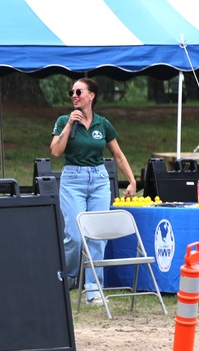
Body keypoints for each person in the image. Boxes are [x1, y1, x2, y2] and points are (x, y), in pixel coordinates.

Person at [50, 78, 138, 305]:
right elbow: (56, 151)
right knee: (75, 236)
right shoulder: (63, 121)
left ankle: (93, 289)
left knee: (97, 236)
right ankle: (67, 276)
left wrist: (131, 180)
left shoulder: (103, 124)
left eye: (79, 91)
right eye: (72, 92)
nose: (74, 95)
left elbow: (118, 155)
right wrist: (70, 125)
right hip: (73, 180)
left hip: (99, 180)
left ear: (91, 96)